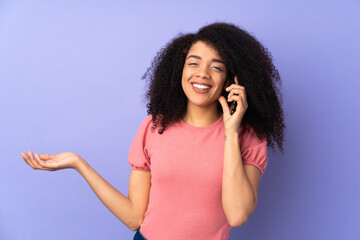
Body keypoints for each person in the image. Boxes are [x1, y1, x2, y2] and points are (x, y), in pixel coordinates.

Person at [21, 22, 285, 240]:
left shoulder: (247, 136)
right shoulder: (154, 126)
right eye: (193, 63)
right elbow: (134, 217)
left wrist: (230, 132)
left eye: (216, 67)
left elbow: (237, 215)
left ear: (230, 80)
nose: (202, 74)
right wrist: (79, 163)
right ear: (179, 70)